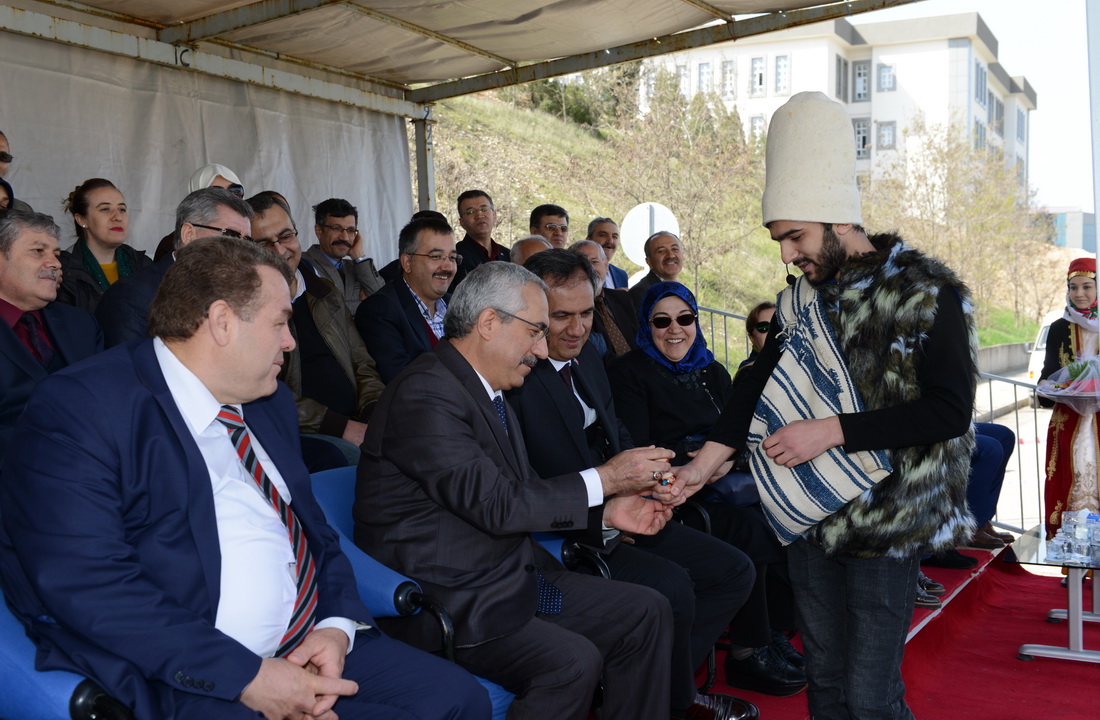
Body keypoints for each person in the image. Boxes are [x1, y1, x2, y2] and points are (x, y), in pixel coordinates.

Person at [0, 236, 491, 720]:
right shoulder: (80, 409)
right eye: (280, 323)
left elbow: (316, 533)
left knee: (458, 697)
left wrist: (336, 627)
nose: (290, 342)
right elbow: (89, 584)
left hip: (307, 641)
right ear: (222, 322)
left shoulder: (266, 401)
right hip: (188, 673)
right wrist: (248, 677)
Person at [675, 91, 977, 720]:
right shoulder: (799, 302)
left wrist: (832, 430)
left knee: (870, 698)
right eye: (780, 240)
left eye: (796, 236)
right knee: (827, 688)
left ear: (839, 220)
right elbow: (753, 386)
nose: (786, 255)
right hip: (809, 514)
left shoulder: (925, 294)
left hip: (886, 522)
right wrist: (703, 466)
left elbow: (949, 412)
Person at [355, 260, 678, 720]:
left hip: (511, 576)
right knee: (572, 663)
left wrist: (606, 515)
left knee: (647, 609)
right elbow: (498, 505)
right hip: (452, 600)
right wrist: (607, 479)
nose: (542, 350)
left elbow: (520, 493)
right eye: (535, 332)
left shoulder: (486, 389)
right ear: (489, 322)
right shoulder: (425, 394)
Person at [507, 251, 759, 720]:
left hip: (625, 505)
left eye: (586, 313)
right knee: (672, 586)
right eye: (561, 316)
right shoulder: (517, 378)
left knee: (734, 571)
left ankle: (664, 688)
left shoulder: (588, 358)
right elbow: (527, 485)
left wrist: (656, 480)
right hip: (569, 530)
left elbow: (619, 436)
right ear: (533, 313)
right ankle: (669, 699)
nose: (577, 329)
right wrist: (606, 514)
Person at [607, 281, 806, 698]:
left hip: (724, 481)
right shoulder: (629, 373)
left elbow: (740, 433)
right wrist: (693, 460)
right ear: (646, 326)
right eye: (661, 321)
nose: (674, 329)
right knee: (751, 529)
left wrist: (723, 461)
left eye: (685, 318)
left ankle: (772, 631)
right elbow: (636, 447)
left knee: (781, 514)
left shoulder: (712, 371)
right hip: (670, 493)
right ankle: (746, 652)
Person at [247, 193, 384, 465]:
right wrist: (342, 428)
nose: (279, 250)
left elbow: (362, 364)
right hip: (303, 433)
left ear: (297, 232)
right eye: (264, 243)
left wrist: (374, 414)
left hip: (355, 422)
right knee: (351, 459)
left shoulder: (325, 292)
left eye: (285, 236)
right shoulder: (245, 308)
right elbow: (263, 393)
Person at [0, 210, 102, 463]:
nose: (55, 263)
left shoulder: (82, 324)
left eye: (56, 254)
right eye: (38, 251)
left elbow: (106, 398)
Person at [95, 187, 252, 347]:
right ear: (189, 234)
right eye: (230, 235)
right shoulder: (132, 297)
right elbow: (129, 361)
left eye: (246, 241)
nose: (241, 249)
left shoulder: (245, 294)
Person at [355, 214, 456, 383]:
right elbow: (403, 381)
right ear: (407, 263)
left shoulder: (457, 305)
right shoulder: (380, 310)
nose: (448, 267)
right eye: (436, 256)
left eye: (452, 257)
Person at [1040, 257, 1100, 537]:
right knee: (1071, 480)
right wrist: (1047, 387)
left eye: (1087, 286)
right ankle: (1072, 552)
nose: (1079, 294)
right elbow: (1049, 374)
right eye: (1073, 287)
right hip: (1070, 420)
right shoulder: (1058, 328)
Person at [57, 178, 150, 313]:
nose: (118, 217)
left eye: (122, 209)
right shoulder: (62, 270)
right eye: (105, 209)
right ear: (81, 219)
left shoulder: (142, 264)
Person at [303, 198, 384, 313]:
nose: (345, 237)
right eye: (336, 228)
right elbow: (321, 313)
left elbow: (384, 303)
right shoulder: (301, 264)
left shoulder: (357, 267)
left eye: (350, 230)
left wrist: (359, 257)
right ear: (319, 231)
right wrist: (364, 304)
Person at [153, 163, 245, 261]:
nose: (228, 198)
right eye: (217, 193)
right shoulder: (169, 244)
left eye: (235, 191)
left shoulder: (249, 235)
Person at [569, 239, 636, 361]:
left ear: (606, 265)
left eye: (594, 262)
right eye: (583, 263)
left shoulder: (624, 298)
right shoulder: (572, 308)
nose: (590, 268)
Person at [450, 189, 510, 291]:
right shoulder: (455, 257)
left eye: (484, 209)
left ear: (494, 215)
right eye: (470, 212)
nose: (479, 215)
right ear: (462, 222)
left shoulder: (508, 255)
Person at [628, 231, 684, 308]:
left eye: (674, 249)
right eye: (661, 251)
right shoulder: (641, 293)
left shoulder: (681, 290)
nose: (670, 255)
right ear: (649, 262)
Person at [735, 301, 775, 378]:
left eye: (778, 326)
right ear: (752, 337)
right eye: (764, 327)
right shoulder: (748, 372)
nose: (772, 332)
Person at [586, 217, 629, 290]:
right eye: (603, 235)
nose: (610, 241)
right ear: (588, 240)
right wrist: (612, 295)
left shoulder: (621, 275)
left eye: (614, 236)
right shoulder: (579, 271)